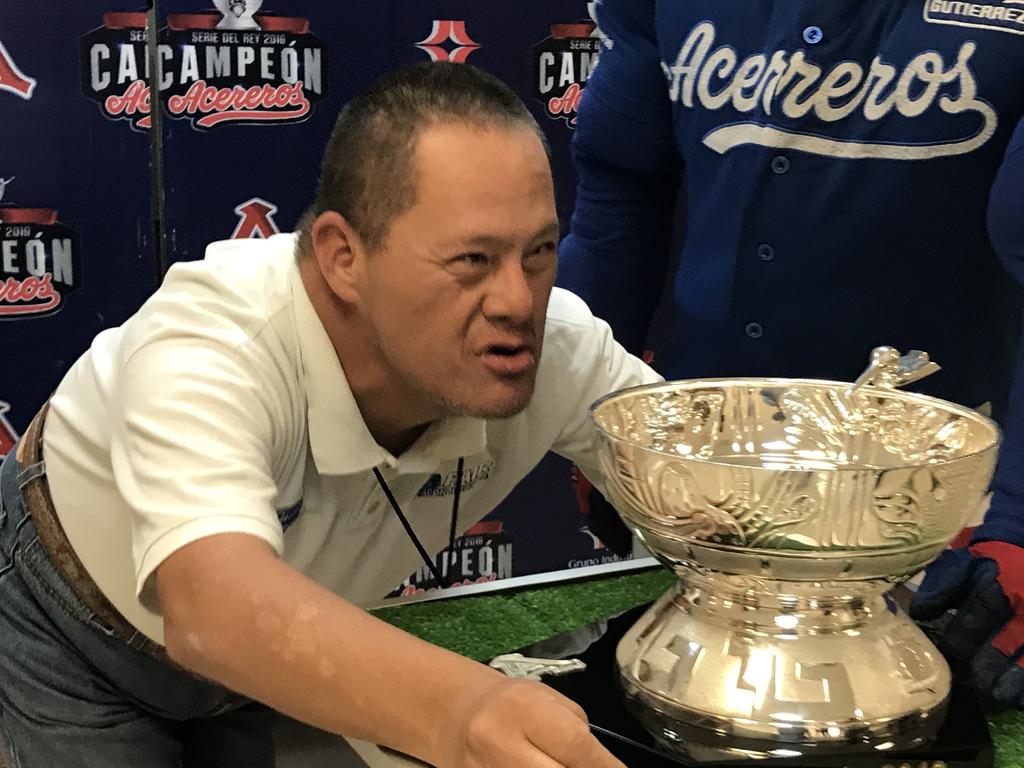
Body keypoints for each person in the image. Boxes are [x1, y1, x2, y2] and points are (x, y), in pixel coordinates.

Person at [0, 61, 656, 767]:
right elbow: (213, 608)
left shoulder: (559, 348)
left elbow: (709, 478)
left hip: (259, 656)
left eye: (540, 252)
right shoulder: (215, 339)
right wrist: (463, 712)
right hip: (73, 628)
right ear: (343, 257)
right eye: (472, 259)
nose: (518, 302)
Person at [557, 0, 1024, 707]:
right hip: (702, 483)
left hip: (941, 508)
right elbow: (620, 189)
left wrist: (1019, 520)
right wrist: (596, 412)